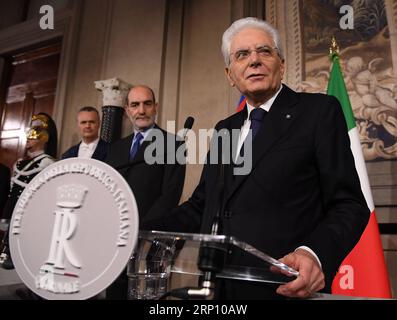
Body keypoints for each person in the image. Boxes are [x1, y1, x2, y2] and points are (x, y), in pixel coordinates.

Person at [143, 17, 370, 299]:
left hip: (285, 288)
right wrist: (139, 229)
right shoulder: (225, 128)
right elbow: (203, 205)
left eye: (264, 51)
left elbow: (349, 204)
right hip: (221, 289)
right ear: (230, 74)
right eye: (242, 54)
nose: (254, 61)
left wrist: (313, 254)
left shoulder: (319, 113)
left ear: (281, 64)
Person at [105, 85, 186, 299]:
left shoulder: (173, 144)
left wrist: (141, 230)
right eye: (135, 105)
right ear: (127, 110)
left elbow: (170, 194)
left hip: (149, 240)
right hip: (114, 237)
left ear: (155, 107)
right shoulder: (116, 148)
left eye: (147, 104)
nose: (141, 110)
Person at [0, 113, 57, 270]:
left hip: (31, 213)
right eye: (29, 136)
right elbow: (13, 192)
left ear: (44, 138)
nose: (29, 139)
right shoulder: (20, 163)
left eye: (33, 136)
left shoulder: (47, 162)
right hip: (14, 210)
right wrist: (7, 213)